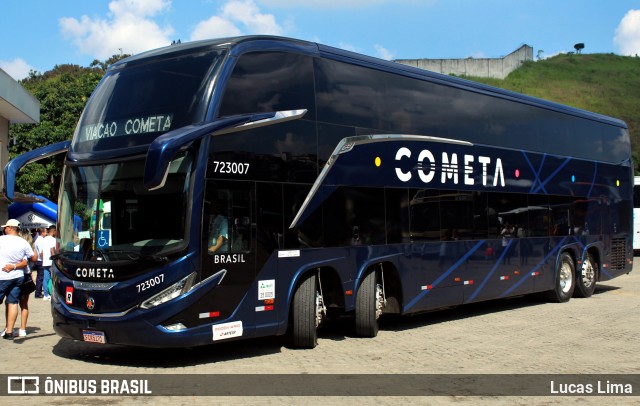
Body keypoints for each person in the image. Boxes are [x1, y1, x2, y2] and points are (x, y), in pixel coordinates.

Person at [0, 219, 34, 340]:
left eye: (6, 227)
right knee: (13, 302)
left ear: (9, 228)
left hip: (2, 275)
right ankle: (9, 332)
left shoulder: (1, 239)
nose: (4, 229)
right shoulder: (23, 242)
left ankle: (7, 330)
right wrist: (16, 265)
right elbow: (32, 258)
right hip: (18, 276)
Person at [17, 229, 38, 337]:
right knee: (24, 304)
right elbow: (35, 258)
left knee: (11, 303)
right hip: (27, 275)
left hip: (16, 274)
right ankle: (23, 329)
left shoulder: (17, 246)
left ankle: (8, 327)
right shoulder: (30, 246)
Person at [41, 225, 57, 300]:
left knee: (45, 278)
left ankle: (45, 295)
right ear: (53, 231)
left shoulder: (44, 239)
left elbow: (41, 252)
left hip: (45, 261)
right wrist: (55, 259)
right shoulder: (53, 240)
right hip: (51, 262)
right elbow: (52, 250)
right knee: (53, 278)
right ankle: (52, 294)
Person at [32, 227, 46, 298]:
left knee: (39, 277)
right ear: (42, 232)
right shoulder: (41, 240)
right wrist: (45, 260)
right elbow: (41, 252)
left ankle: (38, 291)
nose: (46, 233)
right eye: (45, 231)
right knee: (41, 277)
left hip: (38, 260)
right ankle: (38, 292)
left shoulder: (37, 239)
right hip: (41, 261)